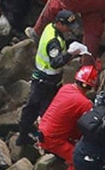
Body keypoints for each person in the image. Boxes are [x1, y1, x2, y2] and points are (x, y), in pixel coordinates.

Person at [18, 10, 88, 147]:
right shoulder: (53, 41)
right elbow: (55, 62)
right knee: (45, 109)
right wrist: (70, 53)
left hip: (45, 77)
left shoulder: (50, 27)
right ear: (59, 24)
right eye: (68, 27)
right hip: (46, 80)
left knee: (34, 106)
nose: (69, 30)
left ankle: (27, 133)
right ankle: (39, 139)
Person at [37, 64, 99, 170]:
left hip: (43, 130)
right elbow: (88, 127)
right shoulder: (84, 103)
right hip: (53, 139)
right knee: (79, 162)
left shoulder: (66, 88)